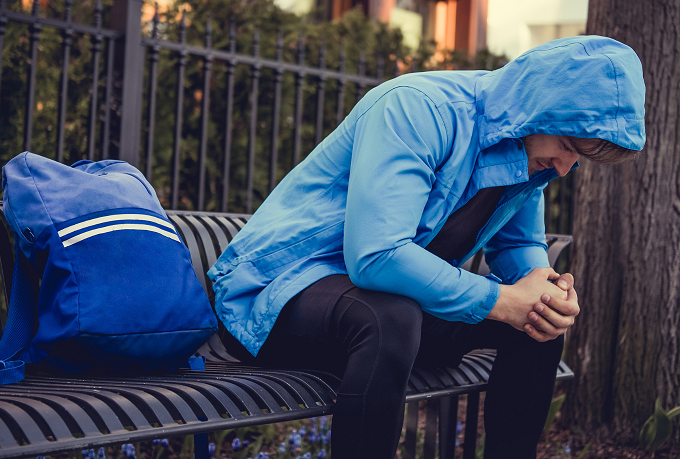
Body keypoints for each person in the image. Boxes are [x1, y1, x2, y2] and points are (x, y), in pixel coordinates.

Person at [207, 35, 646, 458]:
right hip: (273, 296)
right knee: (390, 318)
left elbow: (520, 246)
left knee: (537, 322)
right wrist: (500, 299)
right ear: (538, 110)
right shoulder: (417, 108)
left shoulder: (530, 155)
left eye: (578, 157)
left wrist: (543, 289)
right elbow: (376, 257)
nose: (566, 168)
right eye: (567, 146)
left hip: (392, 313)